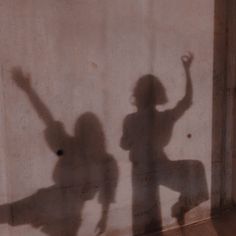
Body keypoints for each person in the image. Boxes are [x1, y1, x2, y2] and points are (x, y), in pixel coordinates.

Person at [0, 68, 118, 236]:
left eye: (89, 130)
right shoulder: (73, 148)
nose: (88, 135)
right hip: (50, 206)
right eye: (84, 131)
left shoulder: (104, 161)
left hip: (63, 214)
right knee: (4, 214)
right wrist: (28, 90)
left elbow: (107, 193)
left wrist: (104, 218)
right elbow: (47, 117)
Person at [120, 53, 209, 235]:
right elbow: (186, 101)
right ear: (157, 96)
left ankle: (181, 206)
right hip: (161, 168)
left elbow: (124, 145)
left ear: (137, 95)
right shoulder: (165, 117)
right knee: (197, 168)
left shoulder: (130, 120)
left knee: (144, 222)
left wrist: (132, 140)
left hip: (141, 172)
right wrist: (187, 70)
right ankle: (182, 206)